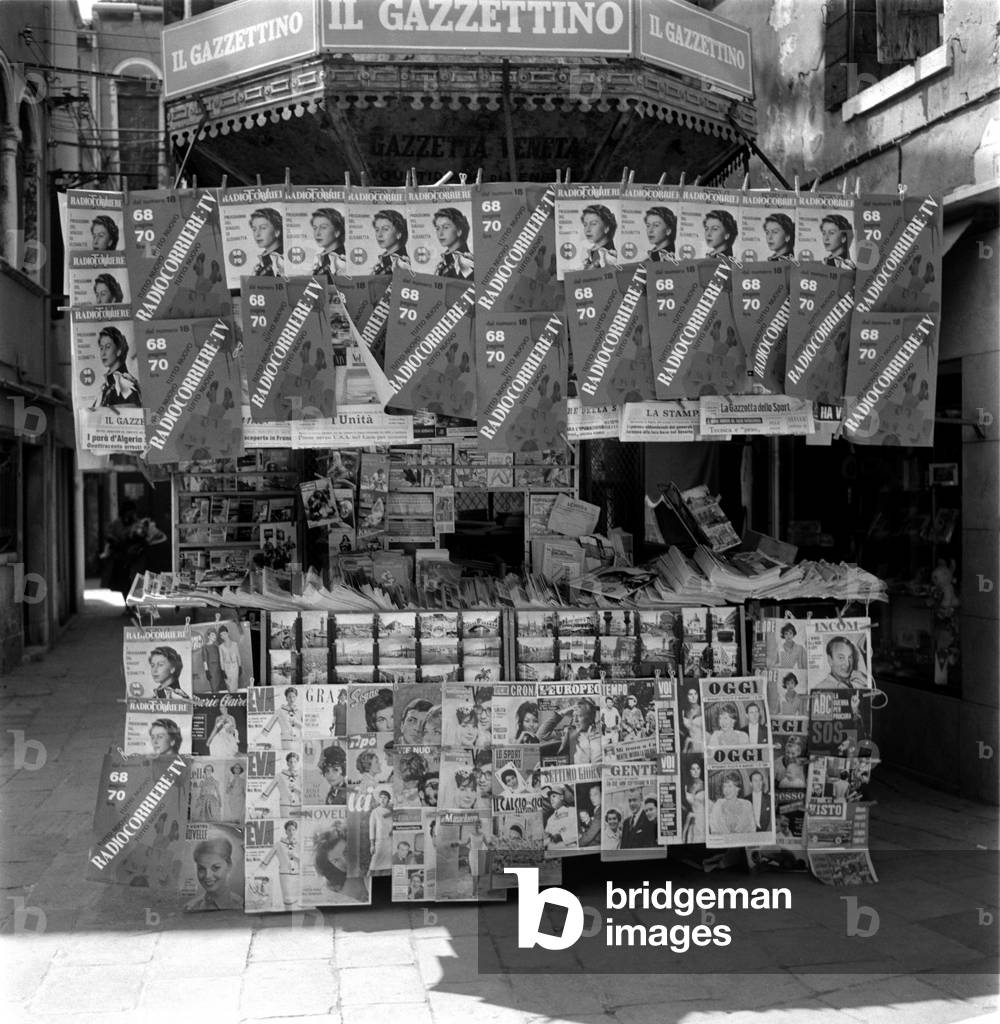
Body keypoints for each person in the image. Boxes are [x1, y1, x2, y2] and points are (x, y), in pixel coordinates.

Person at [185, 837, 242, 911]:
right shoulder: (190, 908)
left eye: (215, 867)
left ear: (229, 865)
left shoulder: (241, 904)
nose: (207, 876)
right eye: (201, 869)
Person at [95, 326, 141, 408]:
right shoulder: (107, 386)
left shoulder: (125, 385)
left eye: (108, 347)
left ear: (118, 351)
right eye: (101, 348)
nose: (103, 353)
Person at [709, 771, 755, 836]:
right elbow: (714, 829)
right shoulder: (717, 805)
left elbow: (752, 829)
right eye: (724, 786)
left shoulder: (747, 805)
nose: (726, 790)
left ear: (738, 788)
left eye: (730, 786)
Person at [433, 207, 474, 278]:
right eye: (437, 228)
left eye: (446, 227)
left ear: (459, 231)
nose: (440, 233)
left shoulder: (464, 263)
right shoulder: (446, 262)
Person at [310, 207, 346, 280]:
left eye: (323, 227)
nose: (317, 233)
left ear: (337, 232)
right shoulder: (322, 258)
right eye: (315, 228)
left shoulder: (342, 259)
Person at [371, 209, 409, 275]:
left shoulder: (400, 262)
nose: (379, 235)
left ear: (399, 234)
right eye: (377, 230)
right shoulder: (384, 259)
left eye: (385, 229)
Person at [580, 204, 617, 269]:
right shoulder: (590, 252)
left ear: (606, 228)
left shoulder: (612, 254)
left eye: (593, 224)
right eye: (585, 225)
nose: (587, 230)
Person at [249, 208, 284, 276]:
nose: (257, 234)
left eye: (263, 228)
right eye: (254, 229)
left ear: (277, 231)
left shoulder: (281, 259)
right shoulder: (262, 261)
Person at [368, 788, 393, 873]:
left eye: (385, 797)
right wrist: (372, 845)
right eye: (381, 797)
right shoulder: (375, 812)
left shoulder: (390, 812)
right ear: (378, 799)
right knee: (373, 868)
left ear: (388, 800)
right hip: (379, 843)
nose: (383, 799)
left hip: (389, 844)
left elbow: (392, 827)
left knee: (387, 869)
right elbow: (372, 828)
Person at [683, 760, 705, 843]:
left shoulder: (704, 784)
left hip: (703, 819)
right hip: (691, 820)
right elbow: (686, 805)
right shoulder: (686, 786)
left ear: (701, 770)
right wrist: (689, 813)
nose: (696, 771)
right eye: (693, 769)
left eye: (698, 768)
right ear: (689, 771)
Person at [217, 625, 242, 691]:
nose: (223, 636)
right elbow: (221, 659)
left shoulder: (235, 644)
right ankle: (232, 699)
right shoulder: (221, 647)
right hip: (226, 668)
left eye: (224, 633)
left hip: (235, 667)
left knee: (235, 685)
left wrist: (240, 666)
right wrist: (223, 670)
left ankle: (235, 698)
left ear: (227, 633)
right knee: (229, 687)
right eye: (221, 635)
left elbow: (238, 656)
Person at [681, 686, 704, 753]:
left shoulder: (702, 709)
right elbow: (685, 730)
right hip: (689, 745)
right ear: (686, 696)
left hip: (701, 744)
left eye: (695, 694)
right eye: (690, 694)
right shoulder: (684, 711)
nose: (693, 696)